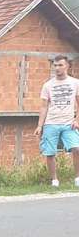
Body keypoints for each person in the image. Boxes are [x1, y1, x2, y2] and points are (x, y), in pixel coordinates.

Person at [34, 55, 79, 188]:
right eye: (55, 65)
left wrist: (77, 119)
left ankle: (77, 177)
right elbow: (44, 106)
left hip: (69, 123)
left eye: (60, 65)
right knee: (50, 152)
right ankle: (54, 180)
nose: (57, 68)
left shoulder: (75, 83)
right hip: (51, 123)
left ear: (67, 66)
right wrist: (39, 126)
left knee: (76, 149)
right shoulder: (48, 85)